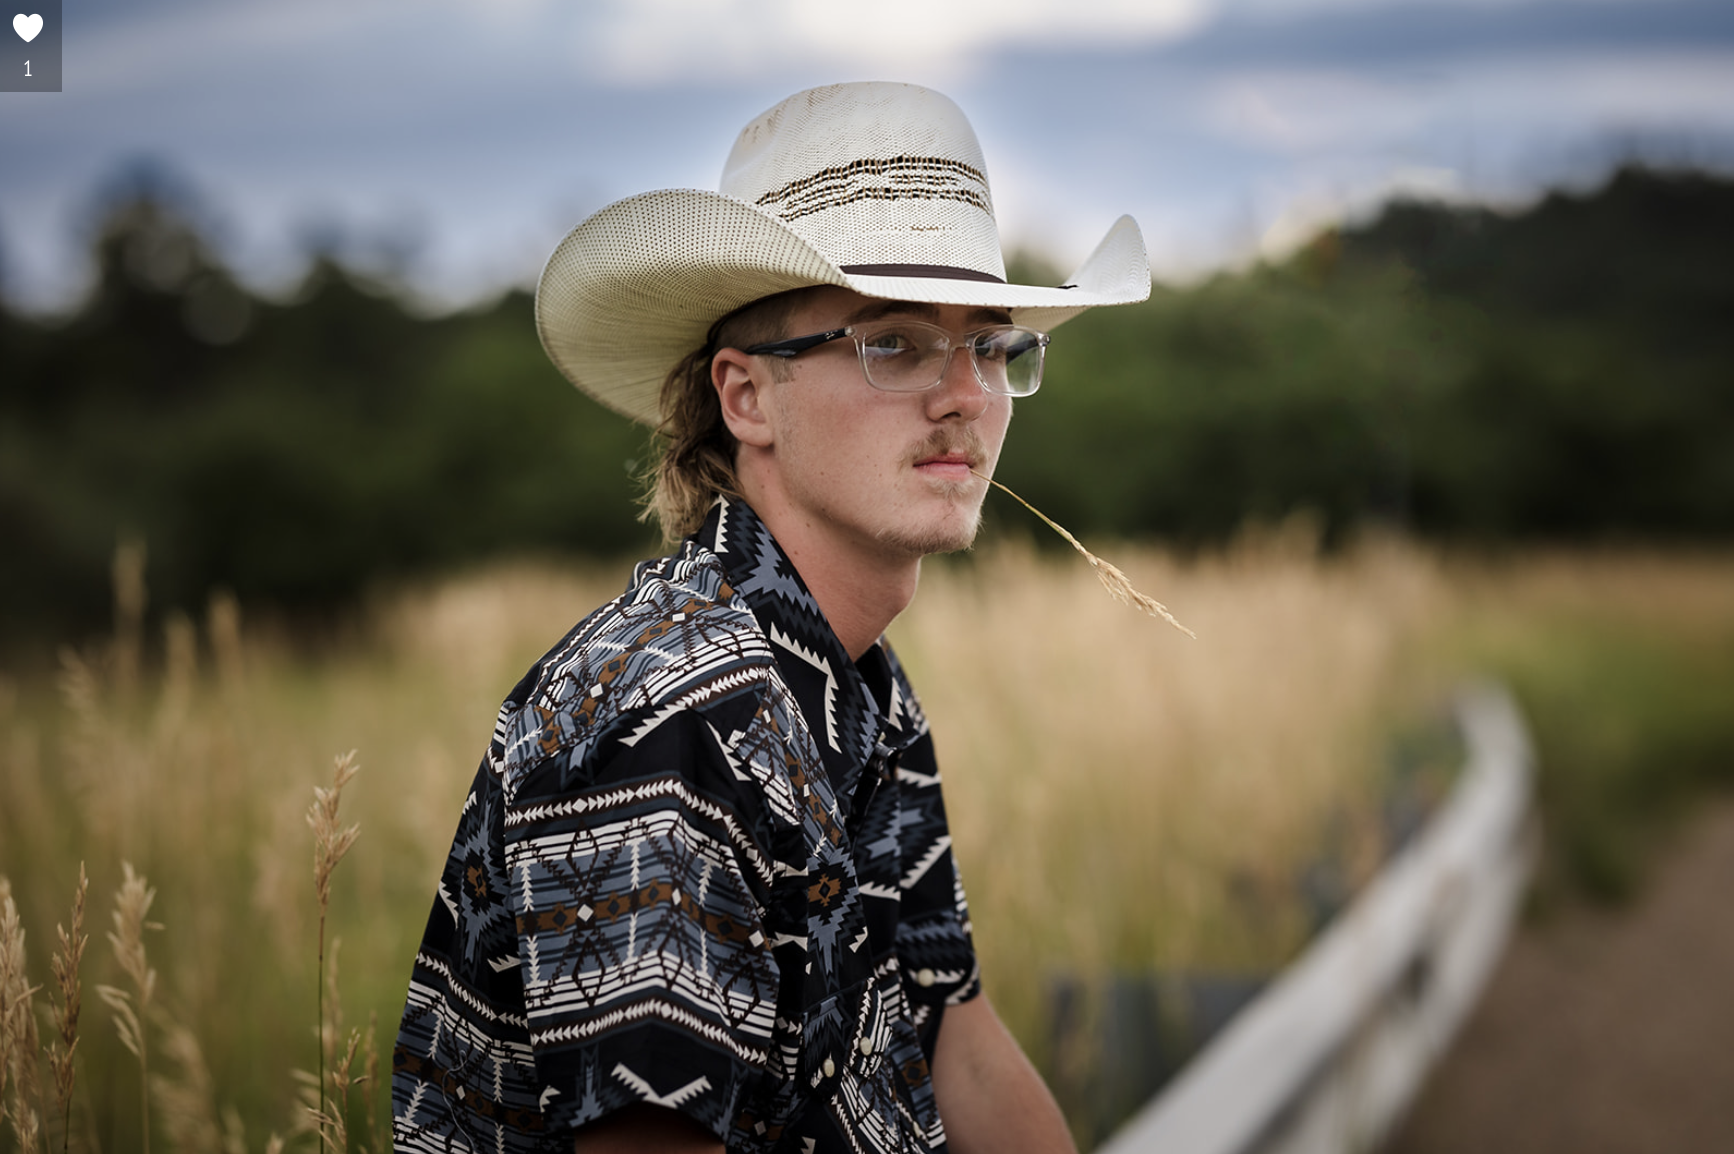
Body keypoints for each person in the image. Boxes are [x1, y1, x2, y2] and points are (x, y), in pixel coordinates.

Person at [391, 81, 1150, 1154]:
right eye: (893, 342)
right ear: (747, 397)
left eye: (988, 345)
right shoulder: (676, 715)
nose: (964, 396)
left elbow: (957, 1036)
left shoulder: (861, 687)